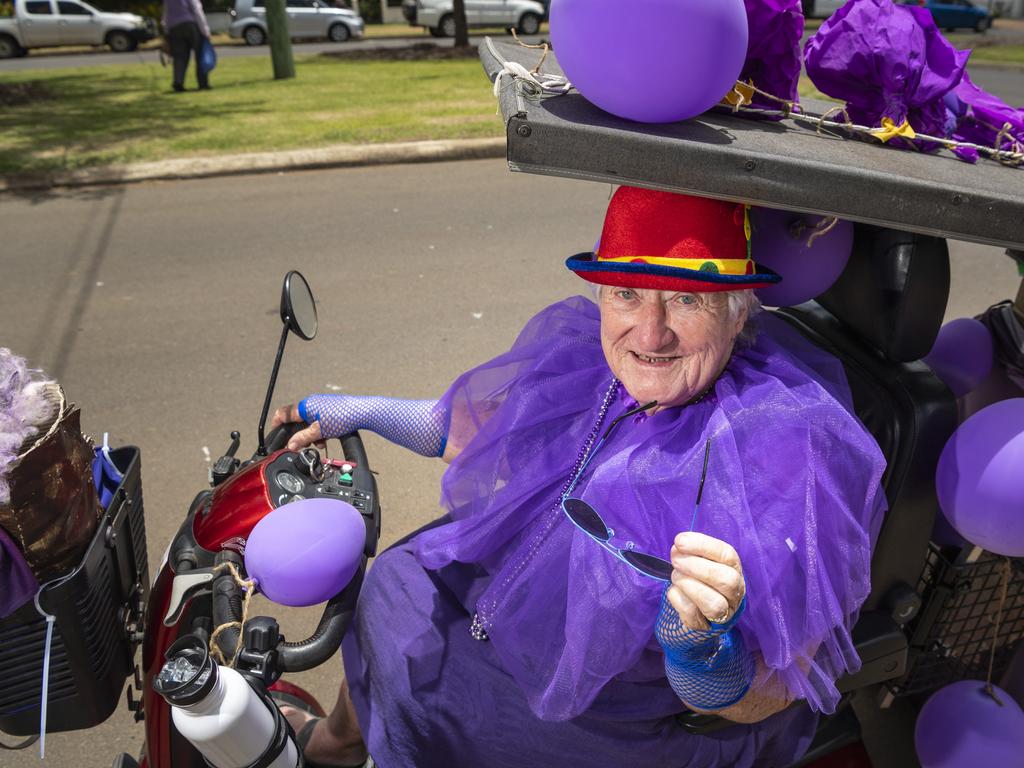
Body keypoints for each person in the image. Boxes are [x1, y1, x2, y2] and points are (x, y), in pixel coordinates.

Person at [269, 187, 888, 768]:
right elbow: (478, 429)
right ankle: (337, 744)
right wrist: (363, 412)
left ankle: (339, 742)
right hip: (505, 610)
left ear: (736, 314)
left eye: (687, 299)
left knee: (432, 675)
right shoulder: (588, 363)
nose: (650, 332)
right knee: (397, 583)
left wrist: (700, 653)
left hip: (602, 716)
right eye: (626, 293)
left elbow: (778, 689)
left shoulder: (782, 446)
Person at [161, 0, 212, 92]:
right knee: (200, 54)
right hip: (190, 25)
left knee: (179, 57)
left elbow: (166, 13)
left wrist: (166, 30)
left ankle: (178, 82)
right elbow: (197, 10)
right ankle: (203, 83)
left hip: (174, 27)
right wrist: (205, 30)